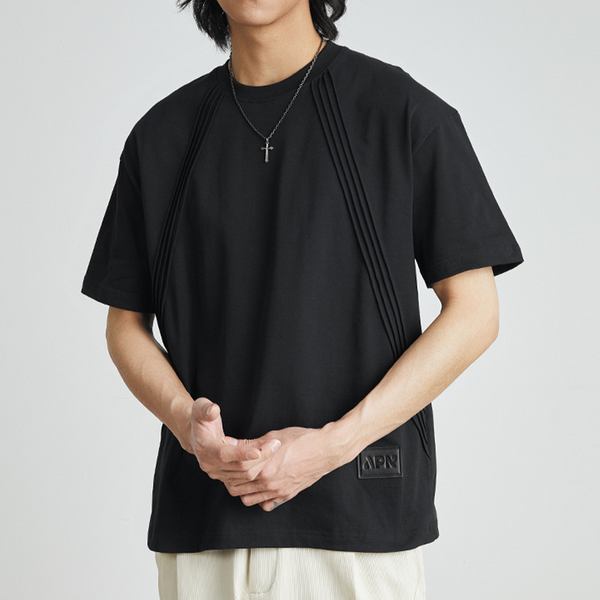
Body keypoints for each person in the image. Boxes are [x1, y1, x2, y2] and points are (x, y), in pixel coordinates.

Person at [80, 0, 524, 598]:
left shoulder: (403, 112)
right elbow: (124, 326)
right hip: (204, 529)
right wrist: (188, 425)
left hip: (357, 527)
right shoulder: (160, 136)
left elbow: (475, 313)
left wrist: (333, 445)